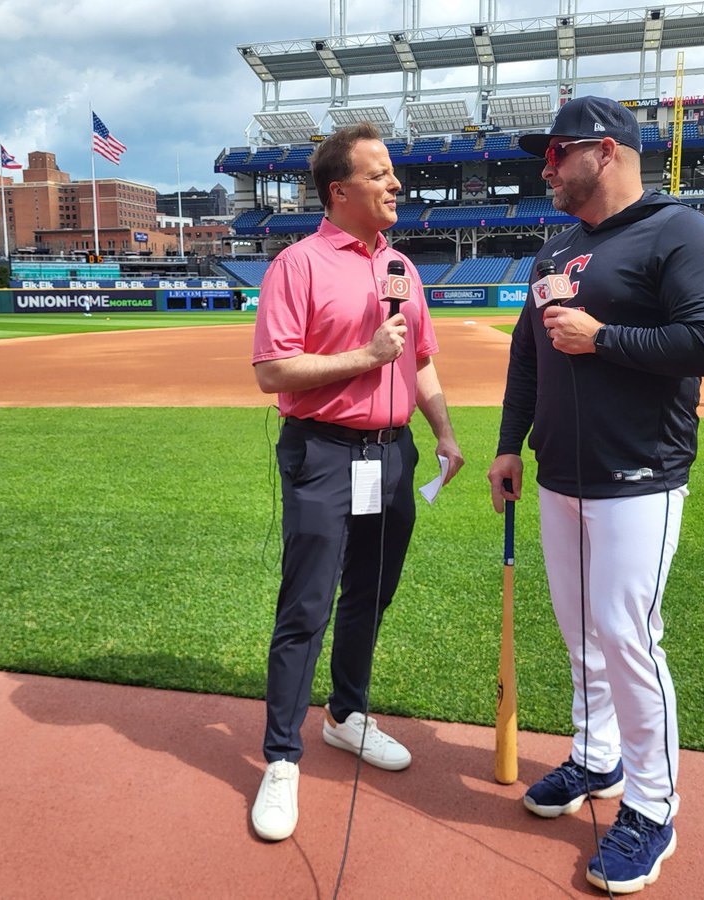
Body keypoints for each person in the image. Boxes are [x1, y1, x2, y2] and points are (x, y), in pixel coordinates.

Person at [487, 96, 704, 895]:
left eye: (557, 153)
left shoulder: (680, 233)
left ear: (605, 152)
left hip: (641, 476)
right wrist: (507, 443)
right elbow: (527, 358)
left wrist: (605, 338)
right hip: (560, 474)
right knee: (581, 637)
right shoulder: (554, 250)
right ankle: (596, 761)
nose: (546, 168)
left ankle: (653, 807)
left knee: (629, 640)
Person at [250, 122, 464, 843]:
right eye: (380, 175)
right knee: (306, 603)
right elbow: (273, 372)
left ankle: (346, 715)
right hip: (323, 453)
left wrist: (442, 431)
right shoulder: (298, 265)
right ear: (339, 190)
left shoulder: (401, 265)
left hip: (392, 454)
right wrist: (363, 356)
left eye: (393, 174)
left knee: (372, 591)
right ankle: (281, 758)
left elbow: (422, 358)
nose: (396, 185)